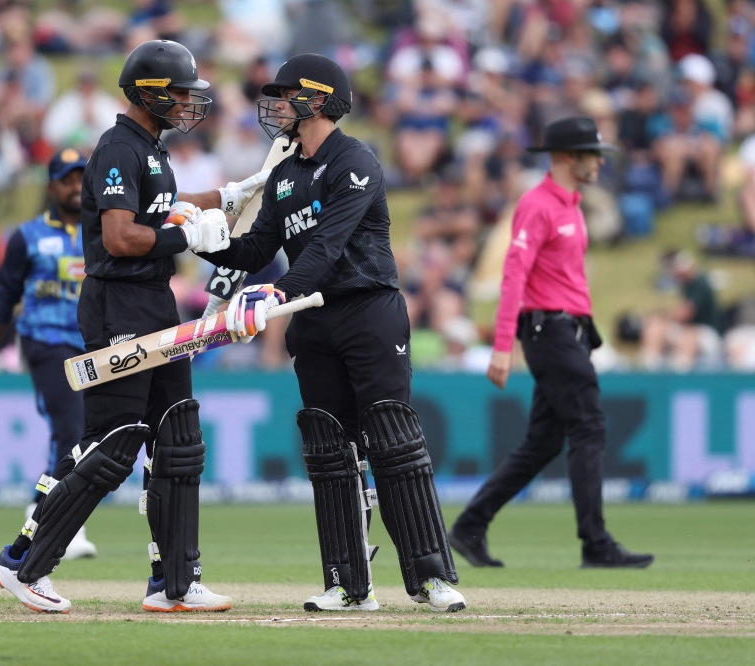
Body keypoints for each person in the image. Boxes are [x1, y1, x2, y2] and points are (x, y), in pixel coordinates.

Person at [0, 40, 268, 614]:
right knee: (113, 440)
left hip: (151, 300)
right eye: (180, 93)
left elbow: (160, 203)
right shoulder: (119, 147)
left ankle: (174, 582)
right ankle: (23, 562)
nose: (189, 103)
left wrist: (227, 195)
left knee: (177, 437)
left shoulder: (149, 148)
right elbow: (119, 237)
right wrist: (185, 236)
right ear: (149, 93)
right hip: (119, 303)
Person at [199, 53, 466, 613]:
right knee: (329, 448)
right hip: (313, 318)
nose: (276, 105)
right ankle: (348, 583)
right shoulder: (284, 175)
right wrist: (206, 241)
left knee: (391, 439)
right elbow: (258, 248)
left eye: (286, 94)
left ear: (318, 100)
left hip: (369, 310)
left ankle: (431, 578)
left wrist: (276, 293)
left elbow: (327, 245)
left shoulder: (355, 161)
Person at [449, 116, 655, 570]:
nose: (600, 162)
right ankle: (595, 544)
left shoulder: (571, 205)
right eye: (593, 154)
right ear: (567, 156)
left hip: (566, 332)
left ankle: (468, 526)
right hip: (549, 331)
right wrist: (503, 344)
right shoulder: (538, 205)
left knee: (543, 443)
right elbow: (514, 274)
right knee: (589, 427)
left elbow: (567, 279)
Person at [0, 149, 98, 563]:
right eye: (67, 180)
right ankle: (55, 521)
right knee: (70, 429)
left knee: (91, 435)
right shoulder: (27, 236)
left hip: (95, 345)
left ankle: (42, 512)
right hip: (46, 342)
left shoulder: (104, 231)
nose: (76, 187)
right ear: (52, 187)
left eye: (81, 178)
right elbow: (5, 297)